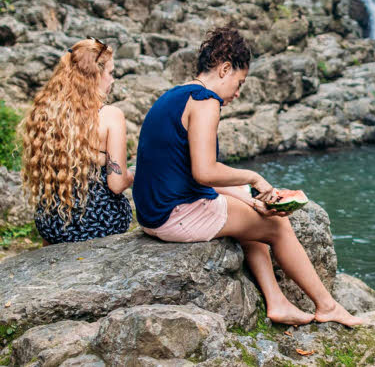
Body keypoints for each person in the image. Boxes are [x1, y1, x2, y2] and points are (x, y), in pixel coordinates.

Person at [133, 27, 361, 327]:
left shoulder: (176, 94)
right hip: (175, 215)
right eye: (239, 82)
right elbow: (204, 172)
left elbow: (187, 168)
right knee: (277, 225)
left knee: (250, 208)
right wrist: (255, 178)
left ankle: (278, 302)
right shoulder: (206, 101)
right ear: (225, 68)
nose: (238, 93)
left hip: (151, 214)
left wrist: (245, 197)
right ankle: (327, 305)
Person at [21, 37, 134, 245]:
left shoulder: (46, 112)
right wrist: (134, 173)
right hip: (99, 223)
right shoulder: (110, 115)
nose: (113, 80)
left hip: (52, 225)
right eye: (110, 73)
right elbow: (116, 184)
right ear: (94, 75)